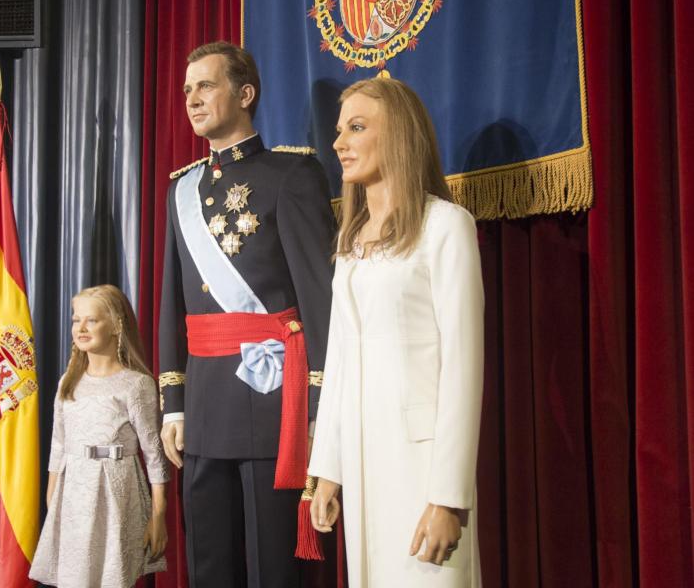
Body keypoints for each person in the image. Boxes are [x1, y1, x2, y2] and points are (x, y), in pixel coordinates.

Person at [158, 41, 336, 587]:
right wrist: (173, 404)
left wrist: (319, 407)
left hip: (272, 402)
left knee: (271, 568)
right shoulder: (182, 190)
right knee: (209, 565)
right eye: (187, 89)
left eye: (206, 85)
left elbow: (319, 300)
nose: (192, 99)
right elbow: (172, 304)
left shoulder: (291, 175)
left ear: (245, 94)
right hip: (204, 403)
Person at [308, 77, 484, 587]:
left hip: (421, 468)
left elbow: (463, 368)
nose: (338, 143)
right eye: (339, 130)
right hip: (364, 467)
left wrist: (448, 497)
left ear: (400, 134)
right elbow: (339, 360)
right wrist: (328, 470)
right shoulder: (350, 242)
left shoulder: (445, 226)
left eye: (356, 128)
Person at [29, 285, 169, 588]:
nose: (80, 328)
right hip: (74, 493)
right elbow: (59, 444)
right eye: (75, 320)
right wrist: (53, 498)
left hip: (116, 493)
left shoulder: (136, 384)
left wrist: (158, 515)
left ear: (116, 325)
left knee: (111, 575)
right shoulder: (68, 382)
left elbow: (154, 453)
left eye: (91, 320)